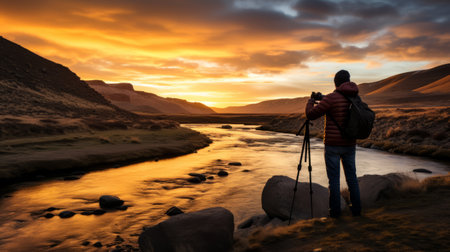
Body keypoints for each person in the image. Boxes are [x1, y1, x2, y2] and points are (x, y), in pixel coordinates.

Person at [305, 70, 361, 218]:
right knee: (352, 177)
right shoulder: (355, 98)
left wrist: (311, 101)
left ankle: (335, 213)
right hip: (350, 144)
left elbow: (311, 114)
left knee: (334, 180)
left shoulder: (331, 99)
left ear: (336, 83)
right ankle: (357, 210)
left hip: (333, 145)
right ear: (348, 81)